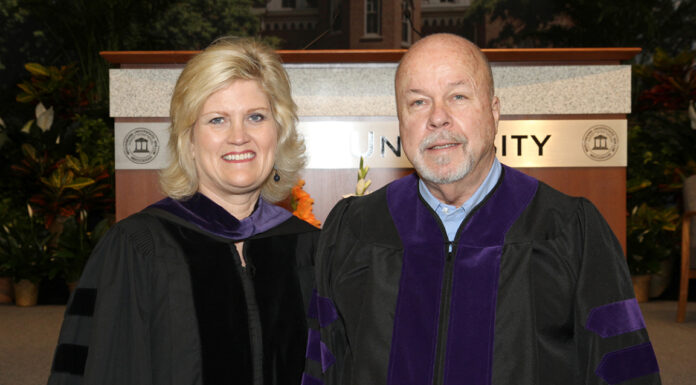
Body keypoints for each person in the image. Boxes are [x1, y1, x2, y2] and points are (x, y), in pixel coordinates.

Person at [301, 34, 661, 385]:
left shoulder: (568, 229)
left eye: (458, 96)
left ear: (493, 112)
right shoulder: (355, 231)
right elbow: (326, 365)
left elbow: (619, 369)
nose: (438, 118)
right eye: (418, 102)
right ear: (400, 122)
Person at [48, 37, 319, 385]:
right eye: (217, 120)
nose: (239, 136)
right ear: (188, 141)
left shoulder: (311, 249)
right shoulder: (137, 248)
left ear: (278, 133)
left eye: (255, 117)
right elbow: (106, 369)